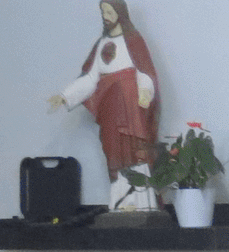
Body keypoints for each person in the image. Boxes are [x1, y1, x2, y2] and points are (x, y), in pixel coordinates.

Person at [48, 1, 160, 210]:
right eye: (103, 12)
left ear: (120, 13)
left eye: (109, 11)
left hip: (130, 107)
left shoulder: (133, 41)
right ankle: (121, 203)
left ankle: (141, 203)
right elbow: (90, 78)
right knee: (113, 152)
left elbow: (144, 71)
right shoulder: (101, 44)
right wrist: (64, 96)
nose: (106, 16)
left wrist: (145, 92)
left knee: (135, 150)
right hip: (110, 108)